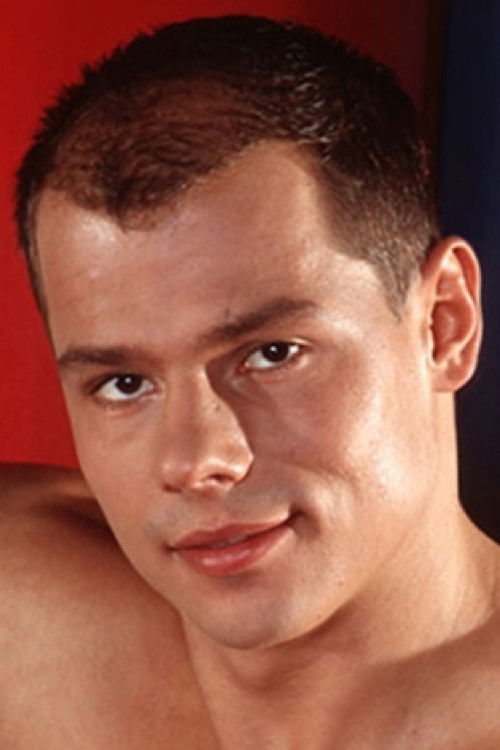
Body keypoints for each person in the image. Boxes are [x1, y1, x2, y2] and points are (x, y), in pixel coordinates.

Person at [3, 14, 500, 749]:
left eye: (272, 354)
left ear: (443, 325)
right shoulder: (24, 618)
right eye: (124, 383)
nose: (195, 459)